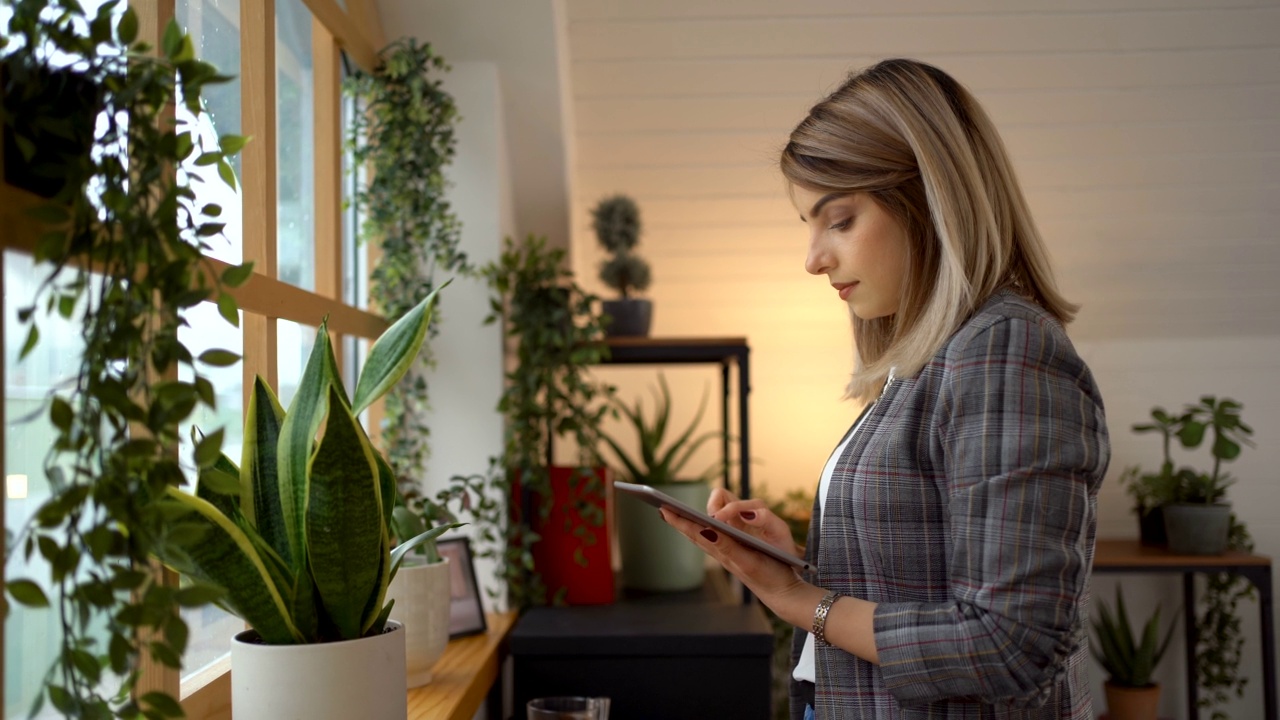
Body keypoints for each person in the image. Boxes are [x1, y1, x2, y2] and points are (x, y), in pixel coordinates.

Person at [659, 58, 1110, 719]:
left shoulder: (1005, 352)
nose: (814, 258)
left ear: (930, 200)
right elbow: (919, 582)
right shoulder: (928, 361)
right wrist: (794, 570)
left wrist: (799, 603)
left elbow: (1012, 643)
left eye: (838, 219)